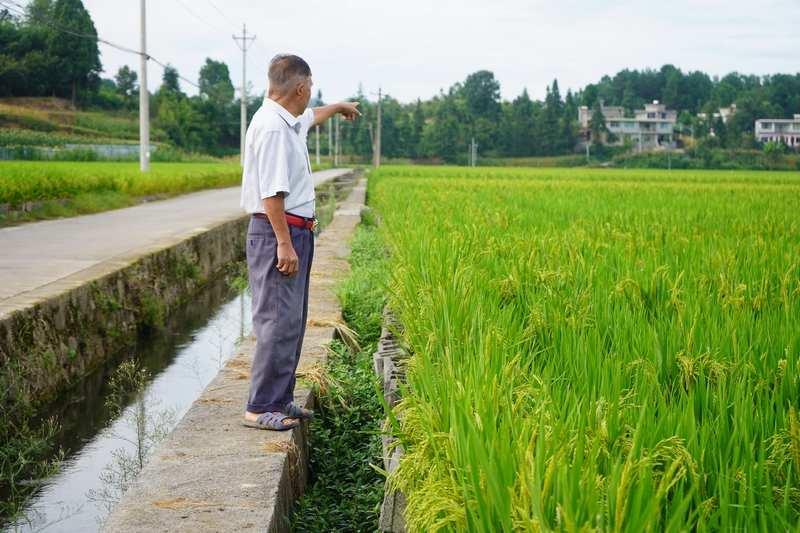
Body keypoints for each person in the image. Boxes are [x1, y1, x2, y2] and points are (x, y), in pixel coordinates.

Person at [240, 54, 361, 430]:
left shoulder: (287, 120)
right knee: (276, 322)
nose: (312, 97)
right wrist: (284, 244)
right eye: (311, 88)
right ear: (300, 88)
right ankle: (260, 407)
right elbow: (271, 193)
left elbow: (313, 116)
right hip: (280, 233)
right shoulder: (274, 129)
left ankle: (279, 399)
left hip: (295, 232)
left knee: (291, 321)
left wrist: (338, 106)